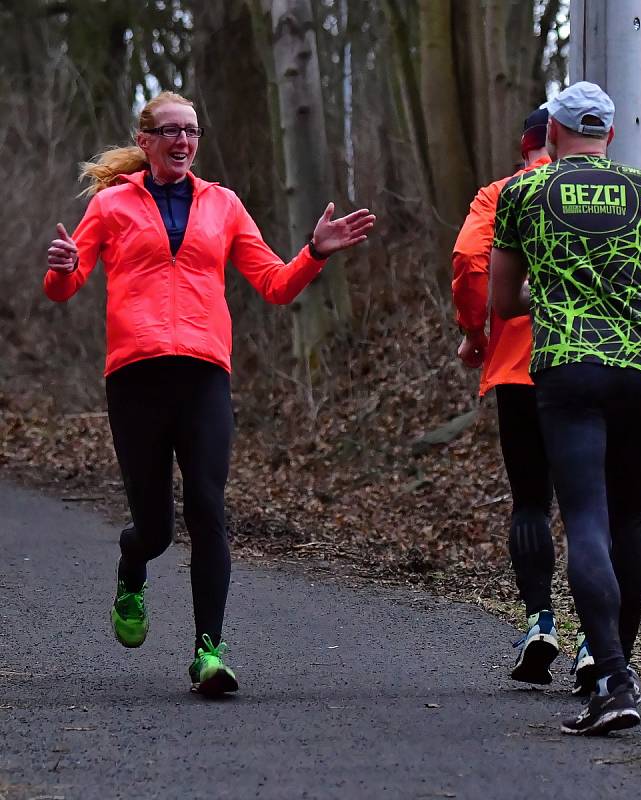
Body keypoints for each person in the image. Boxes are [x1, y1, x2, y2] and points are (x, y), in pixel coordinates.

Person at [44, 91, 375, 697]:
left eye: (191, 131)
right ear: (144, 142)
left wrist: (315, 253)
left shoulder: (223, 205)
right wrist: (63, 266)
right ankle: (131, 564)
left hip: (203, 376)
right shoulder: (112, 205)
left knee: (207, 505)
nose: (182, 141)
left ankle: (209, 653)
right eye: (169, 131)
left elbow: (273, 285)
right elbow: (64, 289)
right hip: (136, 379)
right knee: (156, 528)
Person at [490, 81, 641, 735]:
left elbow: (503, 303)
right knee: (630, 519)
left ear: (554, 135)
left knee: (587, 520)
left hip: (568, 369)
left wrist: (552, 292)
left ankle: (612, 682)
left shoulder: (523, 192)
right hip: (640, 369)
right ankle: (618, 670)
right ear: (612, 137)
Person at [452, 109, 561, 686]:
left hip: (521, 363)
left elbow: (471, 261)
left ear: (526, 145)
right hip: (600, 360)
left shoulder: (502, 194)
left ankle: (541, 622)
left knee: (530, 501)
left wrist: (477, 331)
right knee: (597, 506)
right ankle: (597, 644)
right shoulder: (614, 189)